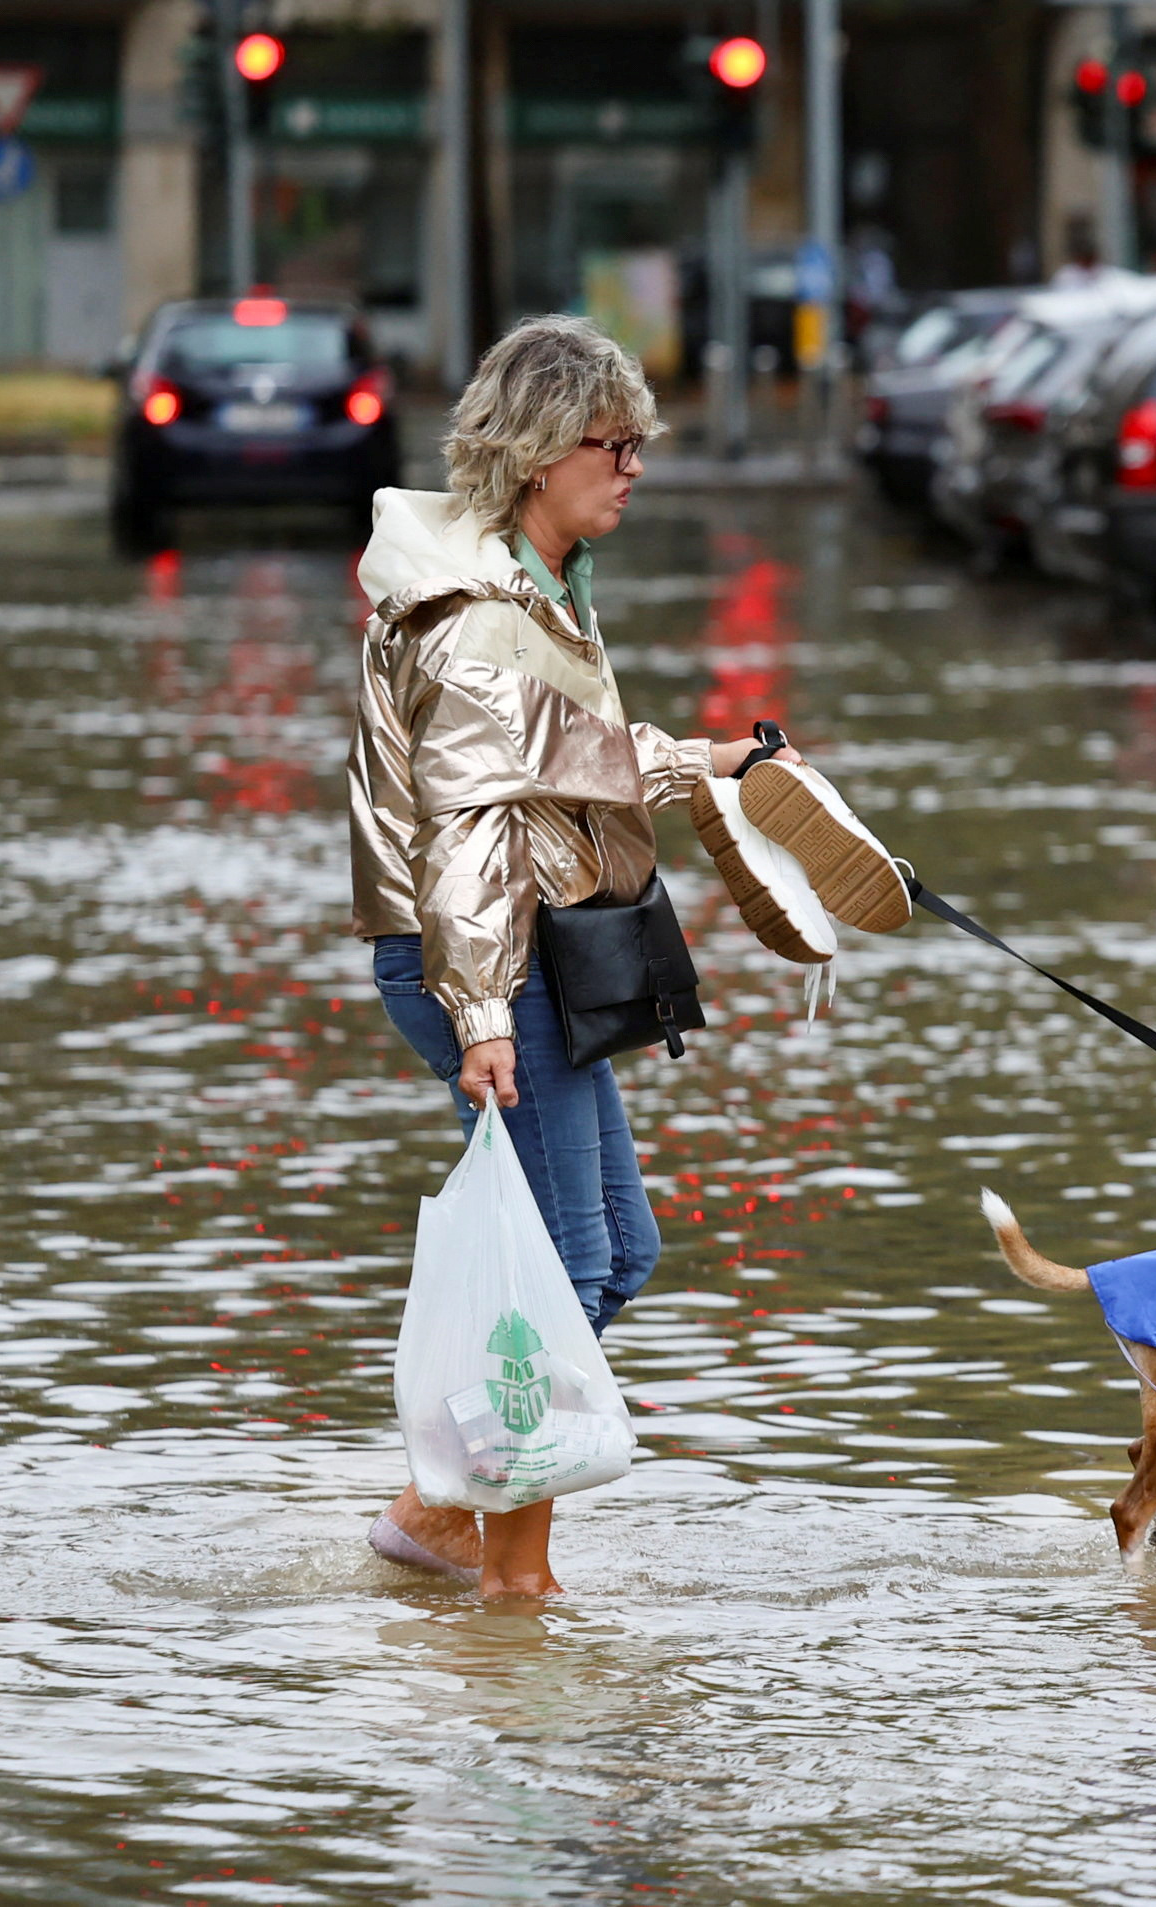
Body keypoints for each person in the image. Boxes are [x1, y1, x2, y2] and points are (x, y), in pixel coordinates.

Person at [346, 315, 804, 1600]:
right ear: (543, 451)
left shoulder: (533, 584)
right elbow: (463, 830)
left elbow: (567, 754)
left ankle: (446, 1510)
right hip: (484, 956)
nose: (635, 466)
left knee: (620, 1253)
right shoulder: (471, 614)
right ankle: (511, 1581)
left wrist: (709, 762)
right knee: (562, 1268)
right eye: (616, 443)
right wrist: (482, 1011)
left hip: (533, 949)